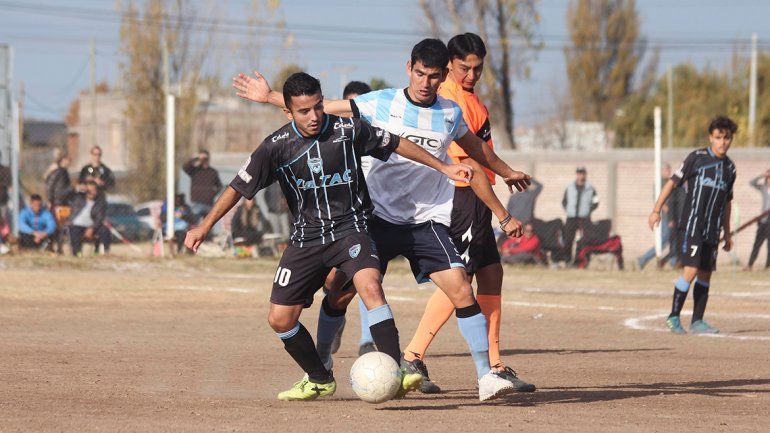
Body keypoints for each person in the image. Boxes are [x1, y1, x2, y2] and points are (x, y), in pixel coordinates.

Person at [233, 38, 533, 401]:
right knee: (338, 293)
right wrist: (268, 96)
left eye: (433, 76)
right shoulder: (379, 102)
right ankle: (323, 365)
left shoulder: (451, 113)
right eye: (420, 73)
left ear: (443, 78)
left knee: (460, 288)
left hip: (425, 221)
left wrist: (507, 170)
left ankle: (486, 376)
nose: (425, 82)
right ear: (409, 68)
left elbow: (476, 149)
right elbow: (321, 108)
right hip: (373, 219)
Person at [190, 71, 472, 401]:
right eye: (303, 111)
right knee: (280, 319)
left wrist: (445, 167)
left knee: (370, 286)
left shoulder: (348, 131)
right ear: (288, 111)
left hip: (351, 229)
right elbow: (237, 187)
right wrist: (204, 226)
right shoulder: (276, 147)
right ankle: (319, 377)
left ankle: (395, 372)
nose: (313, 117)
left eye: (317, 108)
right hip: (306, 239)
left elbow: (397, 143)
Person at [399, 33, 534, 394]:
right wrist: (503, 213)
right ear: (449, 68)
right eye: (464, 68)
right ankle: (413, 356)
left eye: (478, 68)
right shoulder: (450, 101)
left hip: (478, 199)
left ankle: (495, 364)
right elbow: (470, 164)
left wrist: (505, 172)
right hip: (462, 199)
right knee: (460, 279)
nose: (471, 75)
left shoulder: (473, 100)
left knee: (491, 275)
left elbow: (484, 155)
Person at [649, 115, 737, 335]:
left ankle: (697, 321)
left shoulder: (730, 169)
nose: (722, 142)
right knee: (691, 270)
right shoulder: (696, 158)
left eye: (727, 138)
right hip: (693, 227)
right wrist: (656, 210)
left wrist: (727, 232)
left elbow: (727, 202)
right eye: (718, 138)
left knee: (706, 274)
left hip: (712, 230)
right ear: (711, 138)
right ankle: (673, 317)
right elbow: (671, 183)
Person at [637, 164, 674, 270]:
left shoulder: (670, 182)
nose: (668, 172)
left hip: (672, 216)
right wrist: (668, 211)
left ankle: (672, 263)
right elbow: (659, 200)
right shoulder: (660, 183)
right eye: (666, 170)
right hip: (666, 216)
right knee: (663, 241)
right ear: (662, 171)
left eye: (669, 170)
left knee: (674, 241)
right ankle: (643, 259)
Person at [561, 166, 598, 263]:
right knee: (568, 240)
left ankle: (580, 261)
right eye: (579, 173)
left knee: (584, 240)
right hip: (571, 218)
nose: (581, 175)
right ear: (576, 174)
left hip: (584, 218)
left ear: (585, 174)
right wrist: (569, 210)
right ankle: (567, 261)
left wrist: (588, 211)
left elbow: (596, 202)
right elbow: (564, 201)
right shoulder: (569, 187)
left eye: (582, 173)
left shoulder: (591, 188)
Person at [69, 180, 110, 256]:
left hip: (91, 225)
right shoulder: (78, 198)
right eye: (88, 190)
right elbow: (65, 194)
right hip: (77, 224)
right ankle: (77, 254)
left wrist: (92, 228)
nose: (91, 192)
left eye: (93, 190)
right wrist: (76, 187)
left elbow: (99, 217)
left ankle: (103, 252)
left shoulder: (100, 202)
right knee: (74, 231)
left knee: (105, 230)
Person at [44, 152, 74, 254]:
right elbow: (50, 186)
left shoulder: (63, 172)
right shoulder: (60, 172)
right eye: (68, 160)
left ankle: (58, 247)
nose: (70, 162)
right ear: (63, 160)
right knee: (58, 226)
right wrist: (49, 199)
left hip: (62, 202)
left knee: (61, 227)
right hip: (58, 203)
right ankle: (54, 247)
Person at [183, 149, 223, 220]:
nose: (204, 160)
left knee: (208, 225)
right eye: (202, 159)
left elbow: (219, 186)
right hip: (196, 202)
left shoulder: (213, 172)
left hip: (208, 203)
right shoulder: (195, 170)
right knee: (194, 224)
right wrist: (196, 158)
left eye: (205, 158)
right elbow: (185, 167)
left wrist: (212, 194)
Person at [746, 169, 770, 270]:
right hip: (763, 221)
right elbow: (752, 183)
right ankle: (750, 265)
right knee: (757, 244)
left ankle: (767, 266)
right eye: (768, 178)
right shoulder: (764, 188)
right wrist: (762, 175)